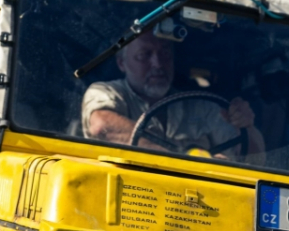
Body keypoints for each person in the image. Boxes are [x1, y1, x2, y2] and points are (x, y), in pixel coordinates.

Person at [82, 32, 264, 157]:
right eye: (144, 55)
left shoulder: (202, 107)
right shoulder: (107, 92)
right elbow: (102, 125)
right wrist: (179, 158)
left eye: (165, 53)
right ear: (121, 63)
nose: (158, 64)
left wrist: (246, 126)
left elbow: (251, 158)